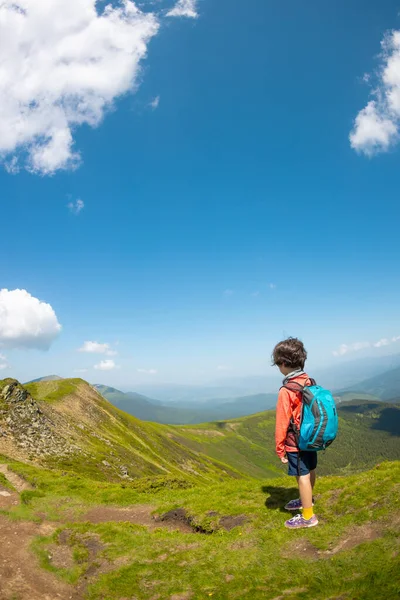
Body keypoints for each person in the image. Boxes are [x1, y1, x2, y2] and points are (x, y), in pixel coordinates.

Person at [272, 337, 318, 529]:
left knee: (302, 476)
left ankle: (308, 517)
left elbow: (282, 421)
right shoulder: (308, 380)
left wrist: (280, 447)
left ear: (283, 363)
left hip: (296, 441)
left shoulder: (286, 390)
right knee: (310, 470)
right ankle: (307, 499)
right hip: (311, 436)